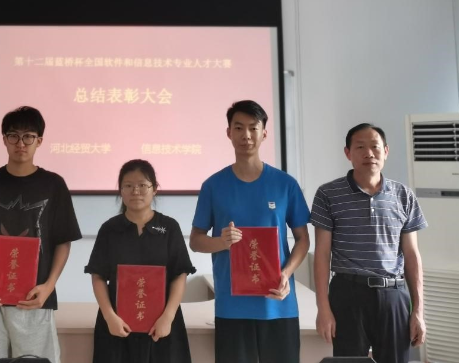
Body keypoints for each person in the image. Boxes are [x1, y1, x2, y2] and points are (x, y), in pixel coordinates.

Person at [189, 100, 311, 363]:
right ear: (228, 133)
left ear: (264, 133)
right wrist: (221, 242)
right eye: (238, 128)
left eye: (253, 128)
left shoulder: (285, 184)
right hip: (232, 307)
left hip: (278, 304)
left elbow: (303, 239)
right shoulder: (213, 186)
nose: (246, 135)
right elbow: (196, 241)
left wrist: (286, 273)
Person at [0, 106, 82, 363]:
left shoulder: (54, 185)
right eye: (14, 136)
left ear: (39, 141)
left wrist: (49, 286)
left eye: (28, 136)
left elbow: (63, 241)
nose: (21, 143)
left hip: (34, 298)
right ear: (4, 139)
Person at [311, 123, 427, 363]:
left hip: (394, 294)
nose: (369, 153)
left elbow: (412, 255)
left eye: (375, 147)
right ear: (348, 153)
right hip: (348, 293)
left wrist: (418, 311)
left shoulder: (404, 195)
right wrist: (323, 308)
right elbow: (322, 254)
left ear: (386, 151)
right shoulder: (328, 194)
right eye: (360, 147)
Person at [85, 159, 196, 363]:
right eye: (128, 185)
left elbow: (180, 274)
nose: (135, 191)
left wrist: (168, 317)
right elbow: (98, 275)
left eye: (142, 185)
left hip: (161, 325)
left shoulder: (169, 227)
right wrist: (109, 317)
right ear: (121, 190)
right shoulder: (110, 229)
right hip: (118, 325)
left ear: (154, 189)